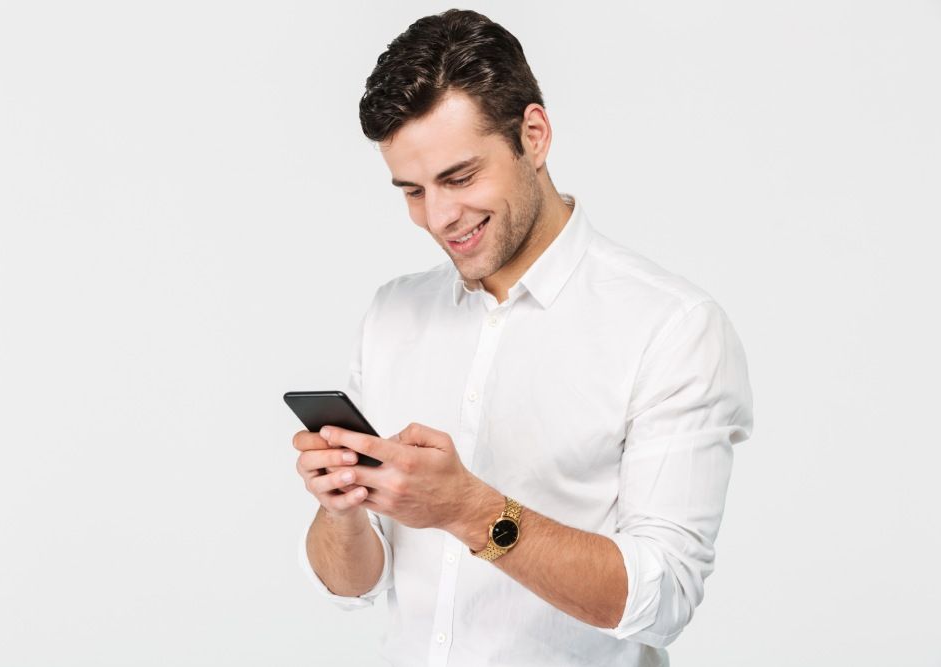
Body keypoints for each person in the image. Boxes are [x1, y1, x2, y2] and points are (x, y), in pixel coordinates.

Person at [292, 9, 754, 667]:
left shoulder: (671, 327)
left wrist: (471, 511)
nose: (440, 217)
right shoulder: (393, 315)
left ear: (533, 136)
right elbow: (353, 584)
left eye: (459, 177)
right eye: (413, 190)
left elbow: (665, 595)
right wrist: (341, 509)